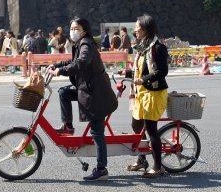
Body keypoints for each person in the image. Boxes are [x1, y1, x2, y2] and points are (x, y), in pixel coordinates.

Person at [48, 17, 118, 181]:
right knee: (64, 93)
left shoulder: (86, 43)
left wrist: (62, 71)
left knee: (97, 132)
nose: (73, 31)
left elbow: (81, 62)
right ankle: (68, 126)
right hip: (87, 89)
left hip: (96, 94)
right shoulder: (80, 43)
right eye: (71, 28)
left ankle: (101, 169)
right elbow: (73, 61)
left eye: (76, 28)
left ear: (84, 30)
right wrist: (56, 66)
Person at [123, 14, 168, 178]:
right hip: (141, 92)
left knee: (151, 130)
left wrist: (144, 79)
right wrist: (127, 72)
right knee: (136, 126)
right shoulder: (143, 47)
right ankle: (142, 159)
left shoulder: (157, 47)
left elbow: (162, 71)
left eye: (137, 27)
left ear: (145, 28)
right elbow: (141, 69)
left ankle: (158, 167)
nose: (134, 30)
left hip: (154, 93)